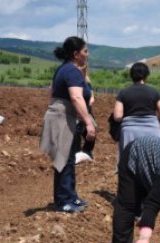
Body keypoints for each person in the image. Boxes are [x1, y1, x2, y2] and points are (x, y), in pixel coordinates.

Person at [40, 36, 95, 213]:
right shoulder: (70, 71)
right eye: (85, 51)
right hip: (62, 117)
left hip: (63, 116)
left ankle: (71, 196)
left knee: (69, 158)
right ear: (75, 54)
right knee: (63, 159)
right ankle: (63, 201)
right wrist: (88, 122)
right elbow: (76, 97)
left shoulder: (66, 70)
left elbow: (52, 93)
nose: (87, 54)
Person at [113, 62, 160, 159]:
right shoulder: (154, 92)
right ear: (146, 76)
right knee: (153, 161)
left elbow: (117, 116)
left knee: (129, 161)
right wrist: (154, 121)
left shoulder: (123, 93)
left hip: (130, 132)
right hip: (152, 130)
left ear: (131, 76)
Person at [74, 66, 96, 164]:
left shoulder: (87, 82)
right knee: (76, 130)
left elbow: (91, 96)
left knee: (93, 128)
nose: (84, 70)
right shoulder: (73, 80)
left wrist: (90, 100)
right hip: (75, 111)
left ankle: (87, 151)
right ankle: (75, 152)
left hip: (87, 111)